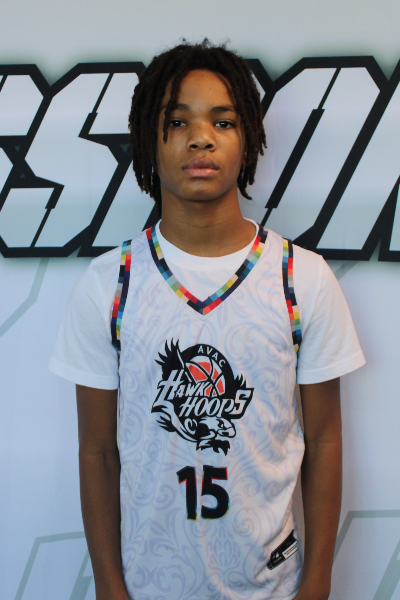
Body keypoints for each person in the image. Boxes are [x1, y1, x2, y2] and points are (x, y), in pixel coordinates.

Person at [49, 40, 366, 600]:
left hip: (272, 586)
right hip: (146, 586)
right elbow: (97, 452)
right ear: (149, 139)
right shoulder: (109, 284)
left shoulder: (302, 278)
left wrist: (318, 581)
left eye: (223, 121)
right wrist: (108, 586)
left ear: (248, 141)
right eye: (178, 122)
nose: (201, 138)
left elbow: (323, 440)